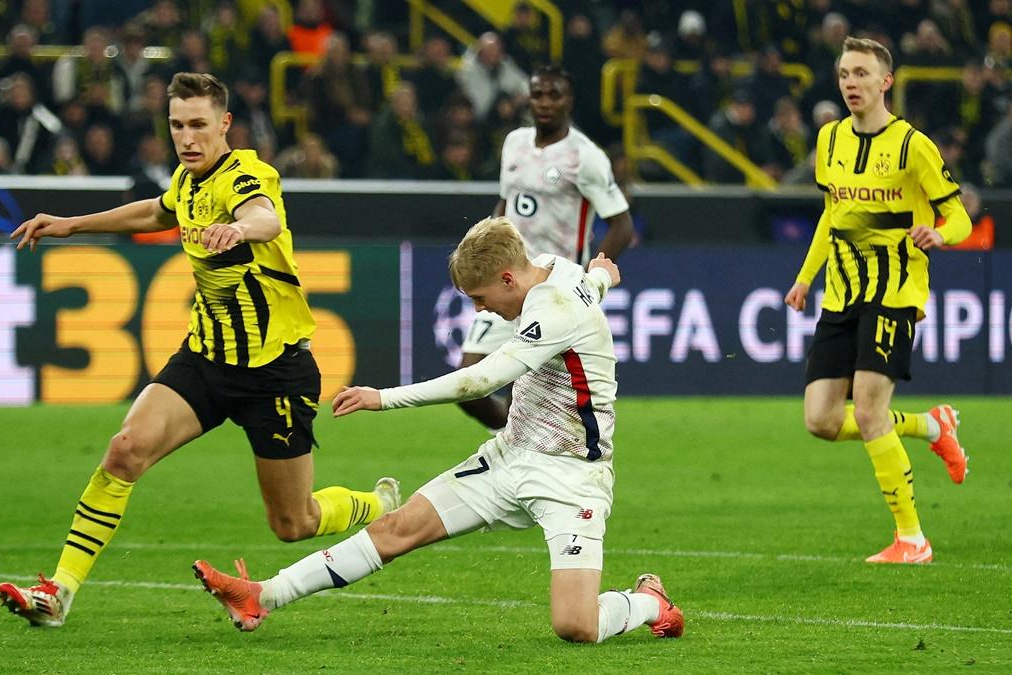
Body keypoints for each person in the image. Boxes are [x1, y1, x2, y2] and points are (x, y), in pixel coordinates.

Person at [0, 72, 401, 627]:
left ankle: (377, 505)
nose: (187, 138)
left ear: (225, 125)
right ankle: (60, 592)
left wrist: (241, 230)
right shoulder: (187, 183)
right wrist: (71, 224)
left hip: (273, 371)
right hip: (207, 358)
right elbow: (157, 212)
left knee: (293, 523)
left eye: (198, 125)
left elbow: (266, 214)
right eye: (177, 125)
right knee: (124, 451)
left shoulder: (248, 175)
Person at [193, 217, 684, 644]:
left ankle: (646, 601)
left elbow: (481, 380)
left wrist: (382, 397)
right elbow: (590, 284)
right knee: (394, 528)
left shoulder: (554, 308)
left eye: (481, 297)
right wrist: (602, 274)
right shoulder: (557, 268)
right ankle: (262, 595)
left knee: (575, 626)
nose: (479, 310)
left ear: (509, 278)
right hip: (509, 457)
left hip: (572, 477)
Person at [783, 37, 971, 565]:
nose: (850, 83)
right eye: (844, 73)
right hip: (842, 293)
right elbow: (832, 214)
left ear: (885, 82)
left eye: (861, 73)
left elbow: (959, 216)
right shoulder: (829, 139)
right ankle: (932, 426)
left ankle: (912, 539)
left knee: (868, 411)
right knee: (820, 420)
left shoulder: (914, 145)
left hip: (895, 290)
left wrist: (940, 234)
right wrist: (805, 278)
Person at [457, 65, 634, 431]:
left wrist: (587, 282)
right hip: (505, 286)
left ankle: (517, 454)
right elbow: (505, 206)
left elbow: (622, 225)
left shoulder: (584, 156)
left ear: (569, 101)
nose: (545, 103)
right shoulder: (514, 143)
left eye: (555, 95)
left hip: (552, 292)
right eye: (538, 94)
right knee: (469, 385)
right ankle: (509, 437)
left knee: (532, 394)